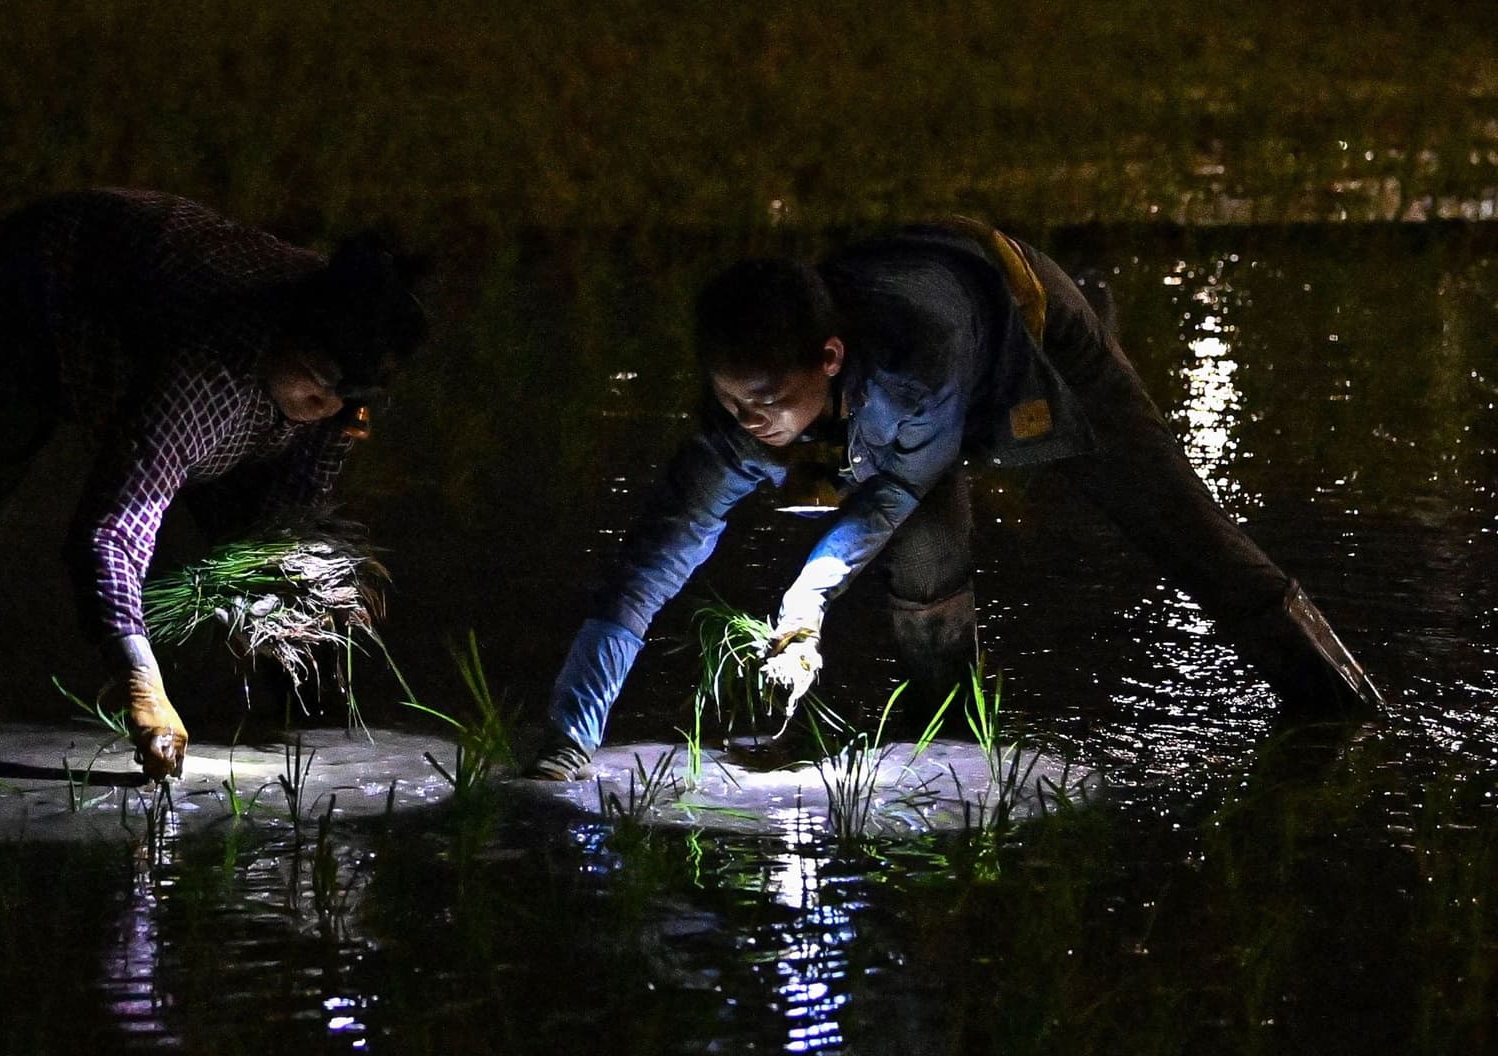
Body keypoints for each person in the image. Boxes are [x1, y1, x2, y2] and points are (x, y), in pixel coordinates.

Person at [526, 216, 1381, 780]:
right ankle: (954, 756)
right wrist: (569, 737)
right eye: (730, 404)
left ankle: (1342, 714)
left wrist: (806, 600)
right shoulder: (750, 417)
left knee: (1179, 525)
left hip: (1024, 326)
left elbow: (898, 483)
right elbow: (649, 564)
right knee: (924, 562)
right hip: (874, 403)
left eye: (762, 402)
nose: (747, 423)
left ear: (826, 357)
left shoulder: (912, 358)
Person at [0, 189, 429, 779]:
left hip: (168, 341)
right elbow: (110, 533)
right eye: (315, 382)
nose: (325, 407)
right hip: (35, 296)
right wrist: (141, 683)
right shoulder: (206, 374)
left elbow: (294, 506)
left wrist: (275, 588)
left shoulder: (345, 376)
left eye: (346, 397)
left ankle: (295, 741)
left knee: (281, 569)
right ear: (288, 334)